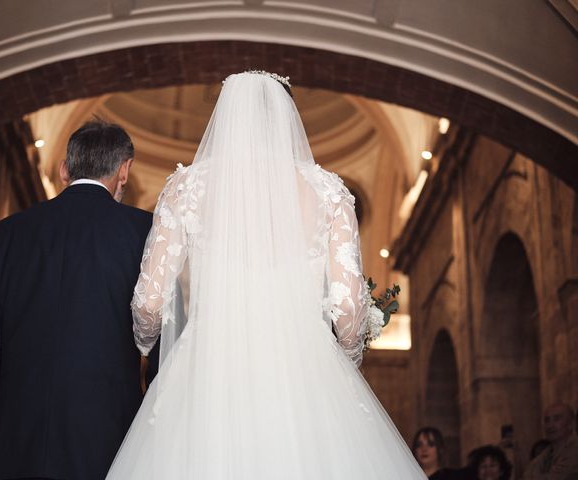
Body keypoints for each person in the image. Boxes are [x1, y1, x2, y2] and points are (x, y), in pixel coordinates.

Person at [106, 71, 427, 478]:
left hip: (208, 367)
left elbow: (149, 301)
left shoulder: (184, 188)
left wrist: (146, 342)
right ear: (287, 116)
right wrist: (342, 360)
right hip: (305, 368)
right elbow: (347, 308)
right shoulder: (329, 193)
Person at [0, 121, 155, 479]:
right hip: (108, 445)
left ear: (64, 169)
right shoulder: (145, 233)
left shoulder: (5, 235)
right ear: (124, 170)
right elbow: (163, 352)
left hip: (13, 442)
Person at [524, 403, 578, 479]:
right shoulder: (547, 453)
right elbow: (527, 474)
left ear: (571, 424)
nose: (550, 425)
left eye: (556, 419)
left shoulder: (575, 449)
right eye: (547, 420)